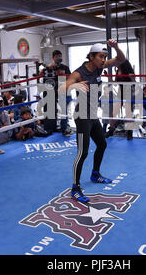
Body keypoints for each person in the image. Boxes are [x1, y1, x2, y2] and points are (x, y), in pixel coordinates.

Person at [59, 39, 126, 203]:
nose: (103, 60)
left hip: (93, 115)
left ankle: (95, 174)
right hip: (82, 116)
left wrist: (115, 47)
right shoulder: (79, 73)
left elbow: (121, 60)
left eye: (104, 57)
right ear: (91, 56)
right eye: (101, 57)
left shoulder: (99, 68)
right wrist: (74, 86)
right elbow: (61, 89)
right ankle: (75, 188)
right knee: (82, 153)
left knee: (102, 144)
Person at [40, 50, 73, 136]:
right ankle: (50, 128)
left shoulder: (65, 67)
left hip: (62, 90)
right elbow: (40, 76)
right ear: (53, 58)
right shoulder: (48, 68)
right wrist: (44, 69)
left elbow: (71, 78)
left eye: (60, 56)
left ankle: (64, 127)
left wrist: (62, 74)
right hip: (51, 90)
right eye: (57, 56)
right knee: (50, 109)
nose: (59, 58)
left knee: (64, 109)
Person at [104, 59, 135, 140]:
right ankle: (111, 129)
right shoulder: (118, 71)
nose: (115, 63)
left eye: (117, 62)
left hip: (128, 90)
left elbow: (134, 83)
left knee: (128, 112)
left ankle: (129, 132)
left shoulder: (128, 70)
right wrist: (108, 76)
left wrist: (132, 78)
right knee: (114, 111)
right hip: (120, 91)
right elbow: (115, 83)